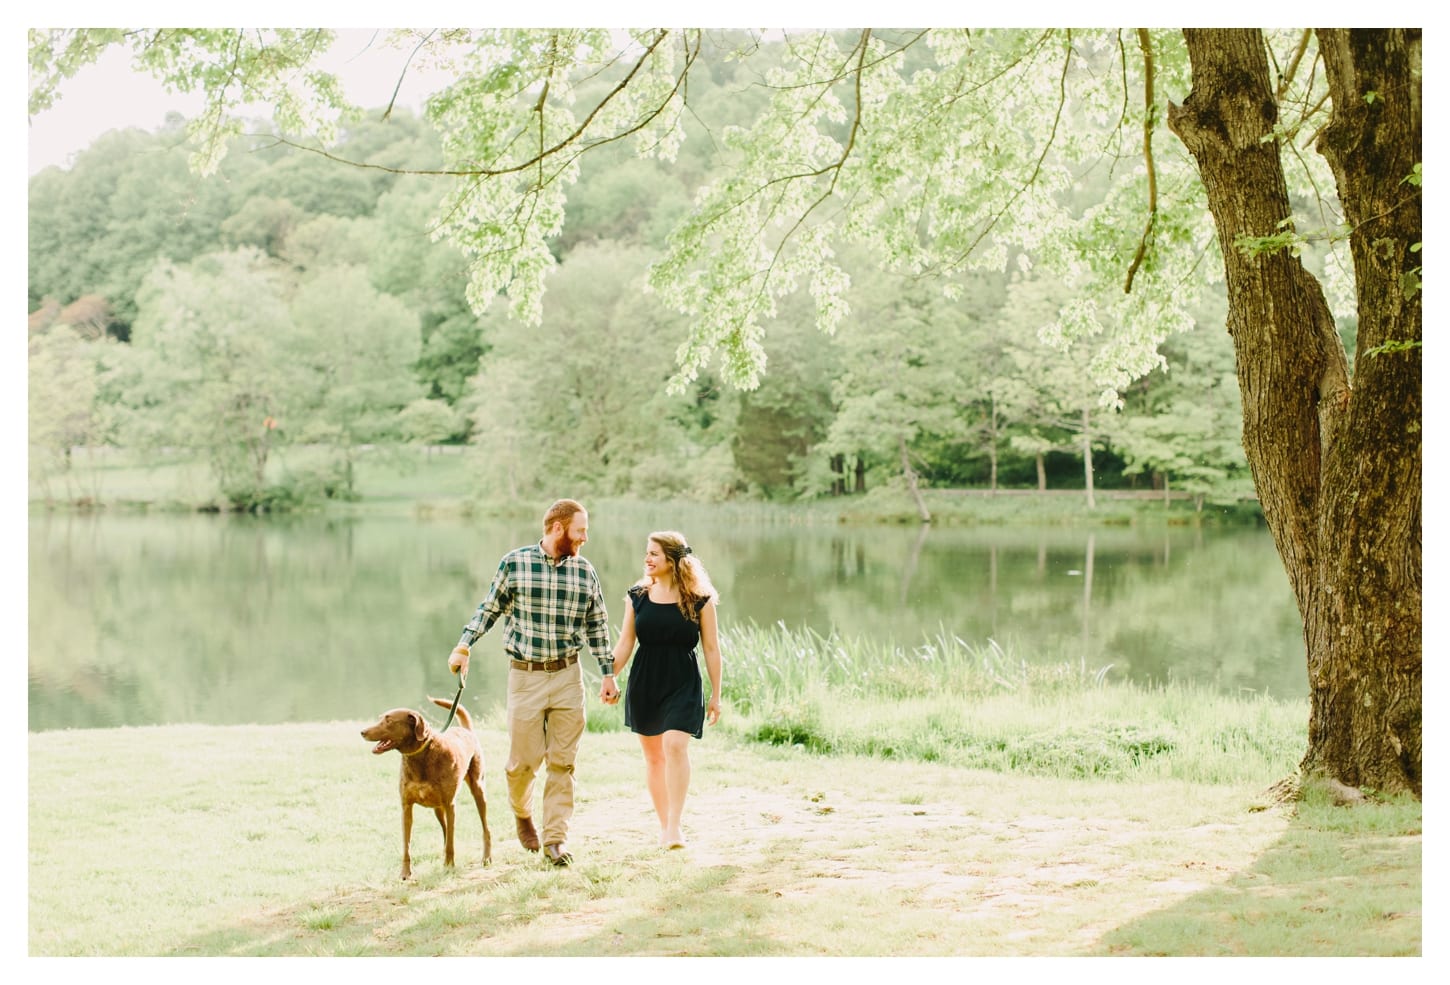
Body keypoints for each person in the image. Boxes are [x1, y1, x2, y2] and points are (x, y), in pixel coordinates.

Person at [447, 499, 615, 867]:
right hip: (525, 677)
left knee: (563, 763)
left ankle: (556, 840)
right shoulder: (516, 563)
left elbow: (598, 626)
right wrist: (463, 645)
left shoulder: (585, 572)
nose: (586, 538)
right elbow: (488, 608)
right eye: (580, 531)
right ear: (558, 529)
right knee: (522, 764)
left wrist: (607, 672)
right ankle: (522, 814)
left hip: (568, 677)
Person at [605, 530, 722, 849]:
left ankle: (674, 826)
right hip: (646, 680)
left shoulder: (700, 599)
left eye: (654, 553)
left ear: (672, 560)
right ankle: (664, 824)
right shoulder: (636, 596)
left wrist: (716, 694)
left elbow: (711, 648)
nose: (647, 559)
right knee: (654, 757)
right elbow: (625, 642)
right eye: (647, 552)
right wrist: (608, 676)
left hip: (683, 680)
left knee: (674, 745)